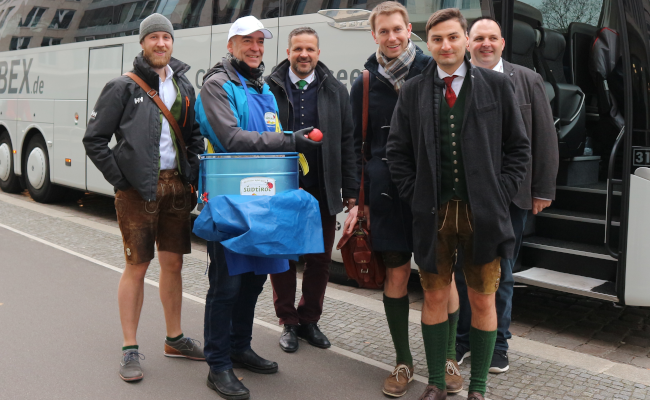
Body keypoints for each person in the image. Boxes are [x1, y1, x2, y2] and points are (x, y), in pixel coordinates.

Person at [386, 8, 530, 400]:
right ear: (428, 44)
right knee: (434, 295)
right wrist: (415, 193)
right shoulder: (414, 90)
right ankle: (436, 382)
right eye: (436, 39)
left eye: (452, 37)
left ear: (466, 41)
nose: (445, 45)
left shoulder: (496, 87)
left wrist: (500, 192)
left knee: (482, 297)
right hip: (432, 214)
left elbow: (519, 149)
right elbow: (397, 152)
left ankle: (478, 389)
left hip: (485, 214)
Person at [194, 16, 322, 400]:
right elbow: (231, 139)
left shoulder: (260, 85)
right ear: (231, 44)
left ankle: (239, 346)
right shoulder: (216, 86)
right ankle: (217, 364)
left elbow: (269, 145)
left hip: (262, 199)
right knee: (226, 284)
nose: (255, 48)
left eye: (260, 42)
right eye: (247, 41)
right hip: (230, 200)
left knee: (252, 280)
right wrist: (289, 138)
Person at [83, 13, 206, 382]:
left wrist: (192, 173)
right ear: (142, 43)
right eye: (153, 38)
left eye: (166, 38)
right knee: (137, 266)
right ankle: (130, 347)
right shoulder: (122, 86)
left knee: (174, 265)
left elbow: (194, 134)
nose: (161, 44)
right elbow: (94, 139)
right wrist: (123, 180)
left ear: (172, 43)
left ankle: (174, 338)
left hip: (176, 190)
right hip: (137, 192)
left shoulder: (184, 85)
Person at [452, 16, 559, 374]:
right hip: (465, 195)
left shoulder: (527, 80)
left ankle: (498, 344)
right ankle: (464, 340)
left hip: (511, 197)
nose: (486, 44)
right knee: (463, 270)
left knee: (502, 272)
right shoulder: (456, 80)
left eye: (492, 38)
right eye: (479, 38)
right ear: (468, 42)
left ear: (501, 42)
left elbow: (544, 138)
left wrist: (542, 188)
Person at [344, 1, 431, 397]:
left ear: (409, 28)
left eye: (398, 29)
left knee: (437, 278)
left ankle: (445, 357)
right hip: (385, 193)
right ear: (373, 34)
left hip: (430, 192)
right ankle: (403, 361)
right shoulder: (364, 82)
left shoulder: (432, 71)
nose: (393, 37)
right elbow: (356, 145)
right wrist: (355, 200)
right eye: (384, 31)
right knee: (396, 274)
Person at [266, 27, 358, 352]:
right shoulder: (269, 88)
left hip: (322, 187)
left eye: (310, 49)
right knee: (285, 258)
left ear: (318, 53)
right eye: (298, 49)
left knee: (319, 260)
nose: (304, 54)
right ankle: (288, 322)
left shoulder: (335, 90)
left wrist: (352, 192)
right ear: (289, 52)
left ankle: (309, 320)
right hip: (283, 188)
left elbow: (348, 142)